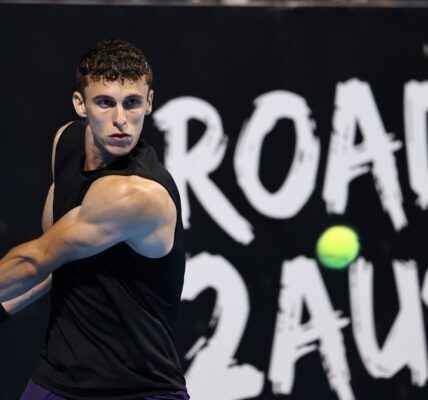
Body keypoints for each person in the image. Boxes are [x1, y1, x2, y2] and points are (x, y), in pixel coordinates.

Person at [0, 38, 190, 400]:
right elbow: (57, 267)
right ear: (80, 104)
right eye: (105, 102)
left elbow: (34, 260)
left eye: (132, 103)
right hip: (56, 380)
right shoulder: (66, 143)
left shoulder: (138, 194)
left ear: (149, 102)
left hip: (138, 391)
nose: (120, 120)